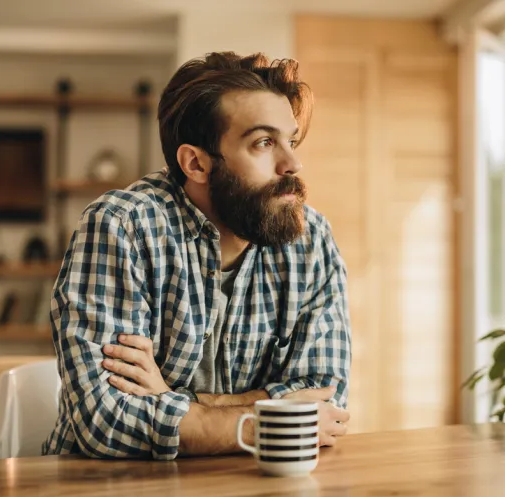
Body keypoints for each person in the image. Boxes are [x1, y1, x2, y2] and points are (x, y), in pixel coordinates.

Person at [43, 52, 352, 460]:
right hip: (108, 483)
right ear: (196, 163)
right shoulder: (122, 227)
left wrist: (173, 399)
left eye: (290, 141)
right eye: (264, 143)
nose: (293, 163)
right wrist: (258, 419)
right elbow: (105, 420)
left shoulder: (311, 239)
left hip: (250, 481)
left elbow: (326, 399)